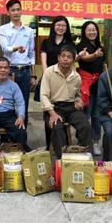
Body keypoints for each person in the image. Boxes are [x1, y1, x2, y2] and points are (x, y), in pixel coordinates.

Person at [40, 44, 92, 159]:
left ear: (73, 60)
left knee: (85, 126)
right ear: (58, 57)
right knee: (57, 127)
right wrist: (52, 113)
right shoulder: (49, 72)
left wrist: (78, 101)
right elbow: (43, 95)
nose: (65, 59)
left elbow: (77, 95)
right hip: (53, 108)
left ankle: (85, 156)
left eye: (69, 57)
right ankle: (63, 159)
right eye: (63, 56)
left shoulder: (76, 77)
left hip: (70, 108)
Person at [0, 0, 36, 123]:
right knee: (7, 103)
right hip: (9, 71)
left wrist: (33, 75)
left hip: (25, 71)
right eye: (13, 10)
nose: (16, 12)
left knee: (23, 104)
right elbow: (5, 49)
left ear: (21, 11)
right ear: (8, 12)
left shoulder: (29, 31)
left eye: (18, 9)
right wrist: (15, 48)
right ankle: (8, 134)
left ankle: (22, 134)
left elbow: (32, 54)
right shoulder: (3, 29)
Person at [39, 16, 75, 148]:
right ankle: (49, 145)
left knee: (64, 111)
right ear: (53, 26)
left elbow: (71, 62)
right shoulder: (46, 42)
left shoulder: (70, 43)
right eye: (58, 25)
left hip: (65, 80)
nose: (61, 28)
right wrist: (47, 76)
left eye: (63, 26)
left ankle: (63, 145)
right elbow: (43, 61)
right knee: (49, 110)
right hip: (49, 78)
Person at [76, 21, 105, 156]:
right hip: (85, 84)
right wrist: (94, 55)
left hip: (98, 85)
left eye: (94, 30)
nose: (92, 32)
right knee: (85, 114)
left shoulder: (100, 47)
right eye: (89, 30)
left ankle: (95, 141)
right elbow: (85, 58)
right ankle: (82, 141)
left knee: (97, 116)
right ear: (84, 32)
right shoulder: (81, 46)